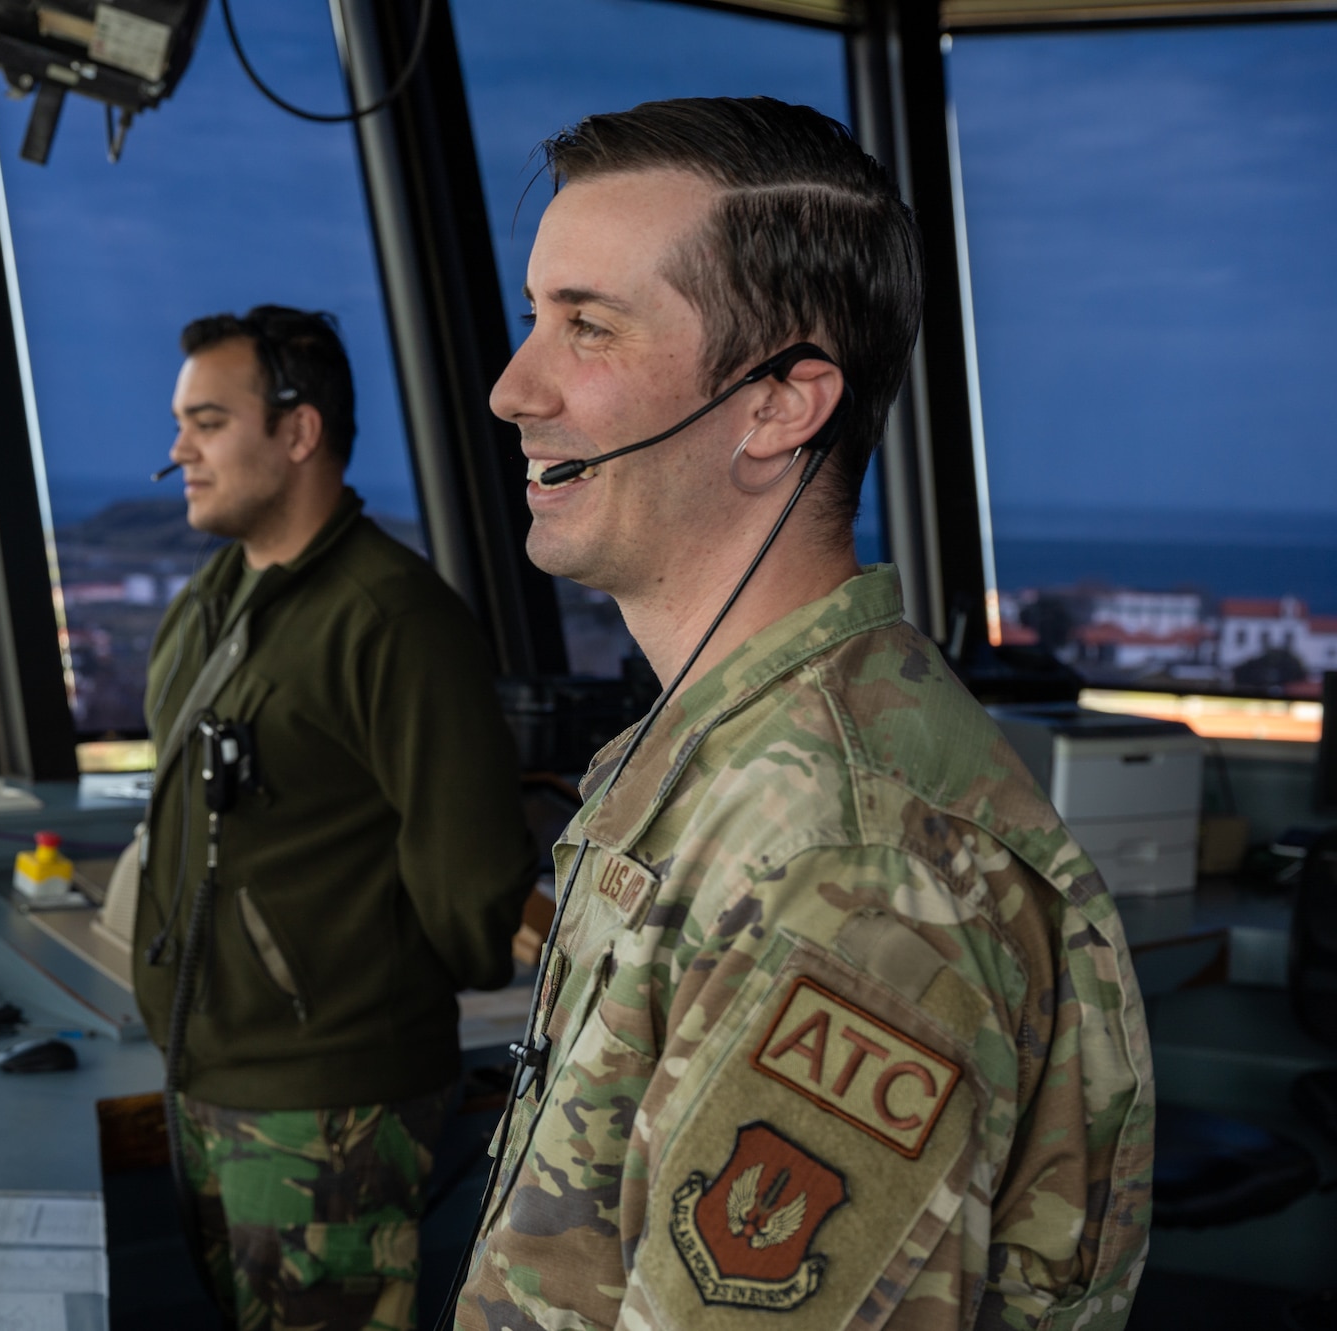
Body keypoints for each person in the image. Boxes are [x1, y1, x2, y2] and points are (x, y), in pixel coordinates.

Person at [453, 98, 1152, 1331]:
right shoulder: (717, 755)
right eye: (532, 316)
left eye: (588, 328)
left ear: (780, 404)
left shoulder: (843, 860)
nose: (514, 387)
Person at [135, 305, 538, 1331]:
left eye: (208, 420)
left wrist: (360, 986)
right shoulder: (210, 600)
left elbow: (468, 881)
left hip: (330, 1100)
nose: (178, 448)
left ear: (297, 431)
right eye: (182, 421)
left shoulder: (392, 620)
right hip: (208, 1071)